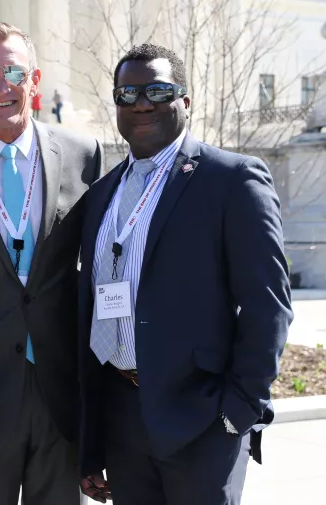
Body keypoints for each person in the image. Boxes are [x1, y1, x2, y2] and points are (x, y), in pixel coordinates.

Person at [77, 43, 292, 505]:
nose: (142, 103)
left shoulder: (231, 179)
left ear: (185, 101)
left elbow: (268, 305)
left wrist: (238, 413)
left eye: (158, 90)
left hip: (203, 421)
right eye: (127, 94)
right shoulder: (100, 195)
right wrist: (93, 437)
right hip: (122, 418)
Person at [0, 22, 103, 505]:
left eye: (13, 71)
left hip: (59, 396)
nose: (1, 85)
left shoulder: (82, 154)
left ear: (35, 81)